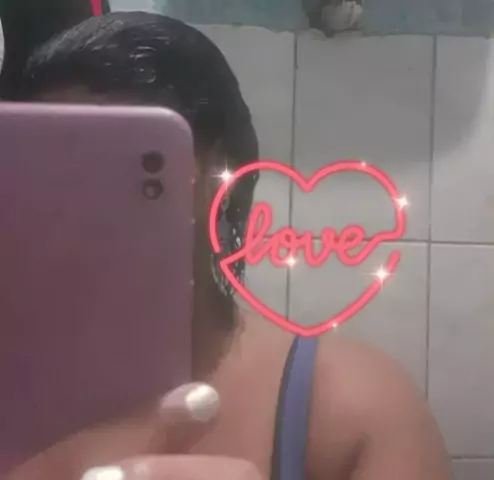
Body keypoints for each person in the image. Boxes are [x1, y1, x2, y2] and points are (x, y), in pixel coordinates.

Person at [1, 11, 451, 480]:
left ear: (220, 177)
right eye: (47, 167)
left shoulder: (353, 411)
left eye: (118, 163)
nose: (76, 205)